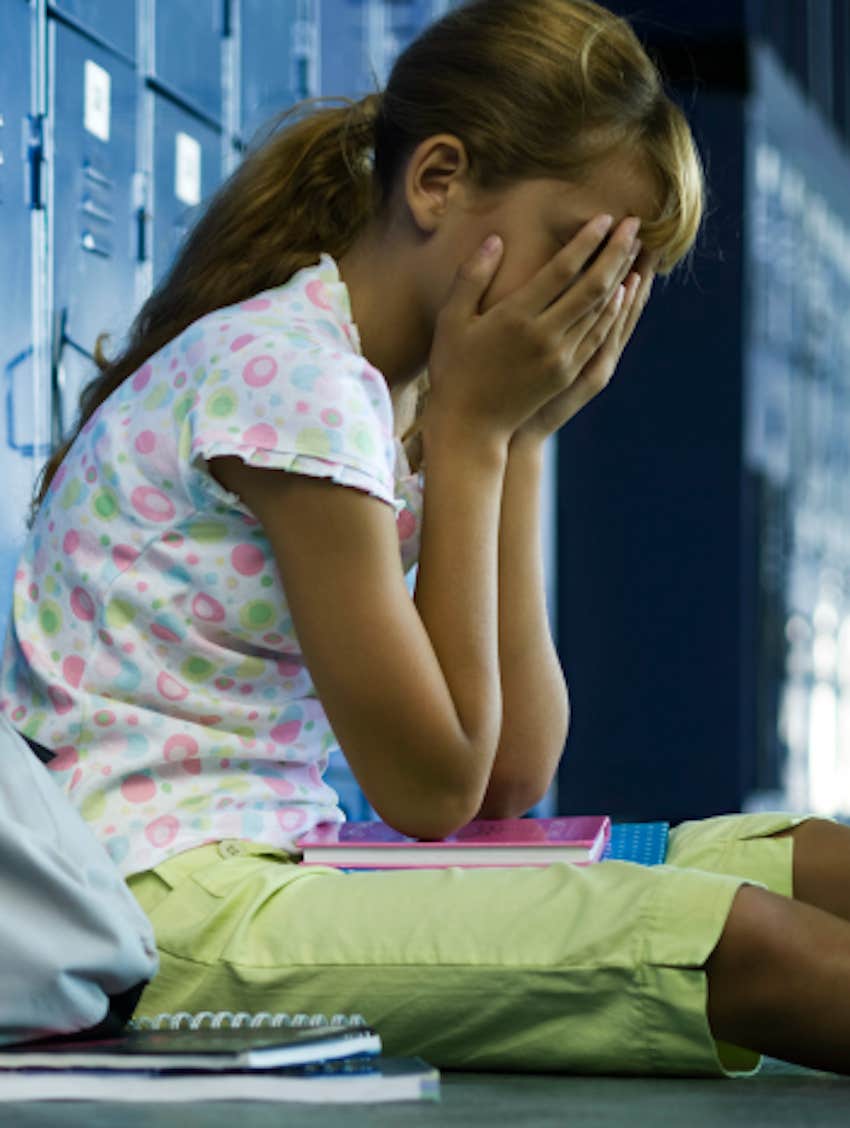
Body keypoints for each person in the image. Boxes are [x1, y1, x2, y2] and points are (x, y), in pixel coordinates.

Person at [4, 0, 850, 1078]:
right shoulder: (292, 375)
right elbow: (435, 789)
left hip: (280, 862)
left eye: (622, 277)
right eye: (575, 251)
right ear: (436, 182)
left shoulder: (381, 396)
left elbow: (509, 779)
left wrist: (521, 439)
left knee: (809, 866)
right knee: (736, 939)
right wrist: (474, 434)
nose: (591, 304)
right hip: (166, 904)